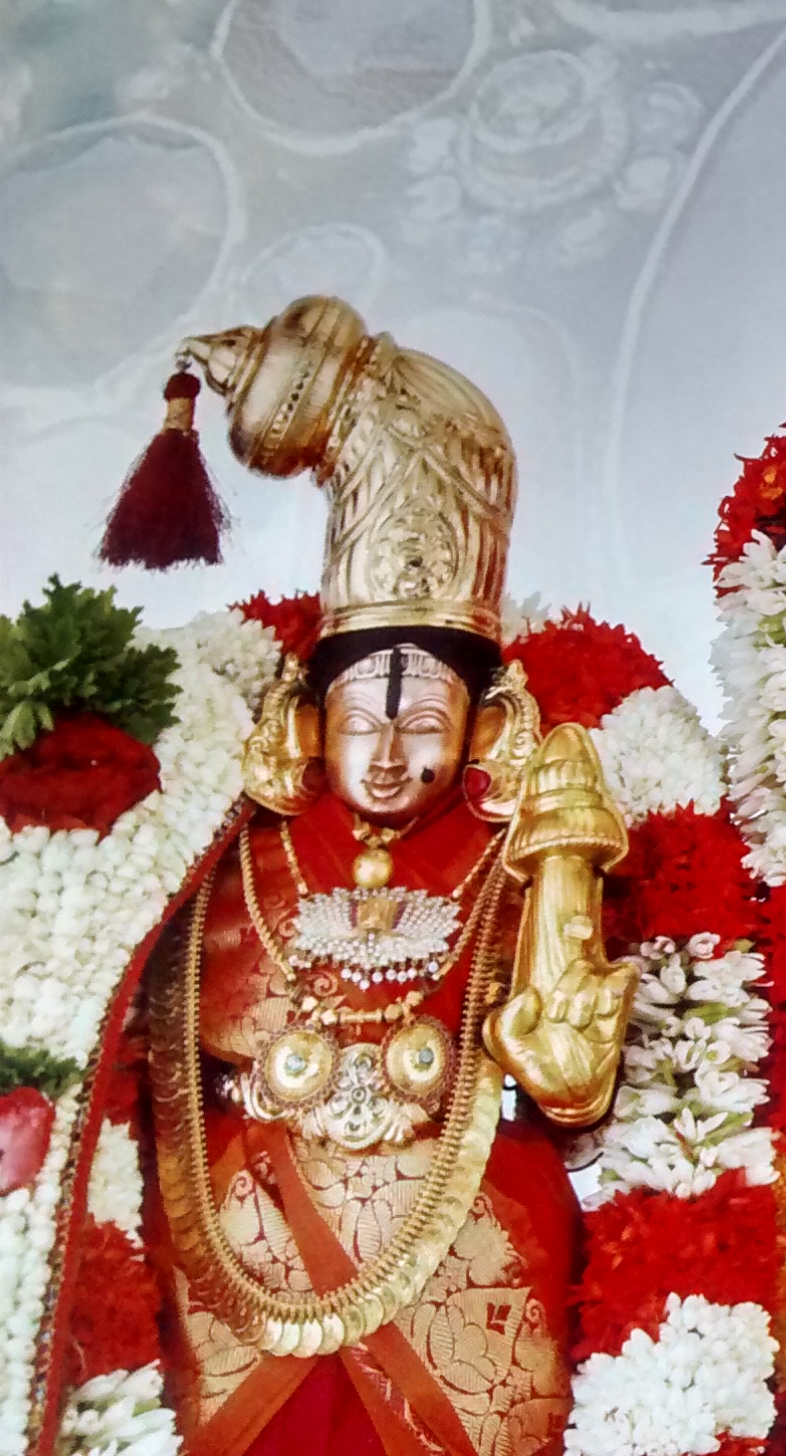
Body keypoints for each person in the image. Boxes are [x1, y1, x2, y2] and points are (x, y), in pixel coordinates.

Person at [80, 297, 631, 1456]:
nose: (388, 751)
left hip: (468, 1255)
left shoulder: (518, 833)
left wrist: (558, 967)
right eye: (358, 718)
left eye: (424, 715)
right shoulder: (230, 835)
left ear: (486, 721)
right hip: (235, 1252)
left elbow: (576, 1078)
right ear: (307, 717)